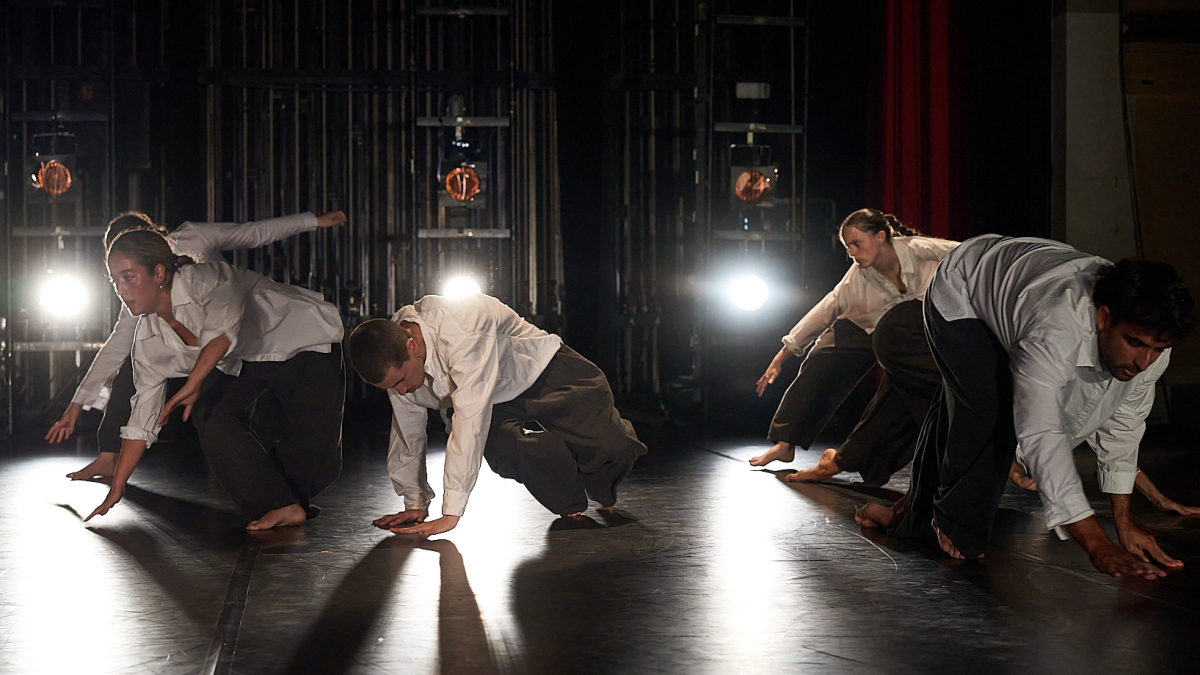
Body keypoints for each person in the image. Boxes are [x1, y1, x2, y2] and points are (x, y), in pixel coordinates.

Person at [855, 235, 1195, 579]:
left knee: (966, 402)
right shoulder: (1055, 328)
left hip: (1018, 288)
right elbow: (1040, 433)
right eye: (1135, 344)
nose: (1143, 361)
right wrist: (1095, 542)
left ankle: (903, 516)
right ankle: (951, 519)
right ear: (1103, 319)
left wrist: (1125, 525)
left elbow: (1123, 428)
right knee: (991, 407)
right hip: (962, 288)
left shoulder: (1152, 350)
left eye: (1157, 348)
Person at [46, 209, 346, 480]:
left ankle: (279, 480)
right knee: (135, 369)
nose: (122, 284)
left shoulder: (192, 240)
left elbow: (252, 233)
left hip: (248, 340)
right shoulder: (139, 291)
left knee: (271, 420)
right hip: (212, 357)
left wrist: (314, 221)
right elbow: (116, 346)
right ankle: (109, 455)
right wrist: (76, 405)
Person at [84, 229, 346, 530]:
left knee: (321, 469)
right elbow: (141, 420)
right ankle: (282, 506)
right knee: (210, 414)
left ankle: (291, 496)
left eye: (128, 277)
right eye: (115, 280)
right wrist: (118, 487)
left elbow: (223, 331)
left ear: (158, 273)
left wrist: (195, 380)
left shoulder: (203, 279)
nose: (121, 289)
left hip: (304, 341)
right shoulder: (148, 341)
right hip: (245, 361)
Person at [346, 293, 647, 538]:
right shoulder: (394, 358)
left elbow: (469, 422)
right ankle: (569, 494)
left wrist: (452, 512)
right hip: (490, 399)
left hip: (538, 369)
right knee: (507, 448)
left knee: (612, 446)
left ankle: (597, 467)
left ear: (412, 347)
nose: (400, 391)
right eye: (390, 387)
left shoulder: (461, 329)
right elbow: (407, 432)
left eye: (399, 381)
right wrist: (415, 500)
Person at [750, 208, 958, 486]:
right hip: (866, 326)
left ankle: (863, 461)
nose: (852, 252)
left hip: (909, 334)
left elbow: (969, 255)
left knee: (899, 389)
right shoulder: (857, 277)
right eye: (848, 246)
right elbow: (826, 309)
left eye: (857, 243)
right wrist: (782, 356)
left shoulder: (920, 250)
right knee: (823, 355)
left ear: (881, 236)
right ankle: (786, 442)